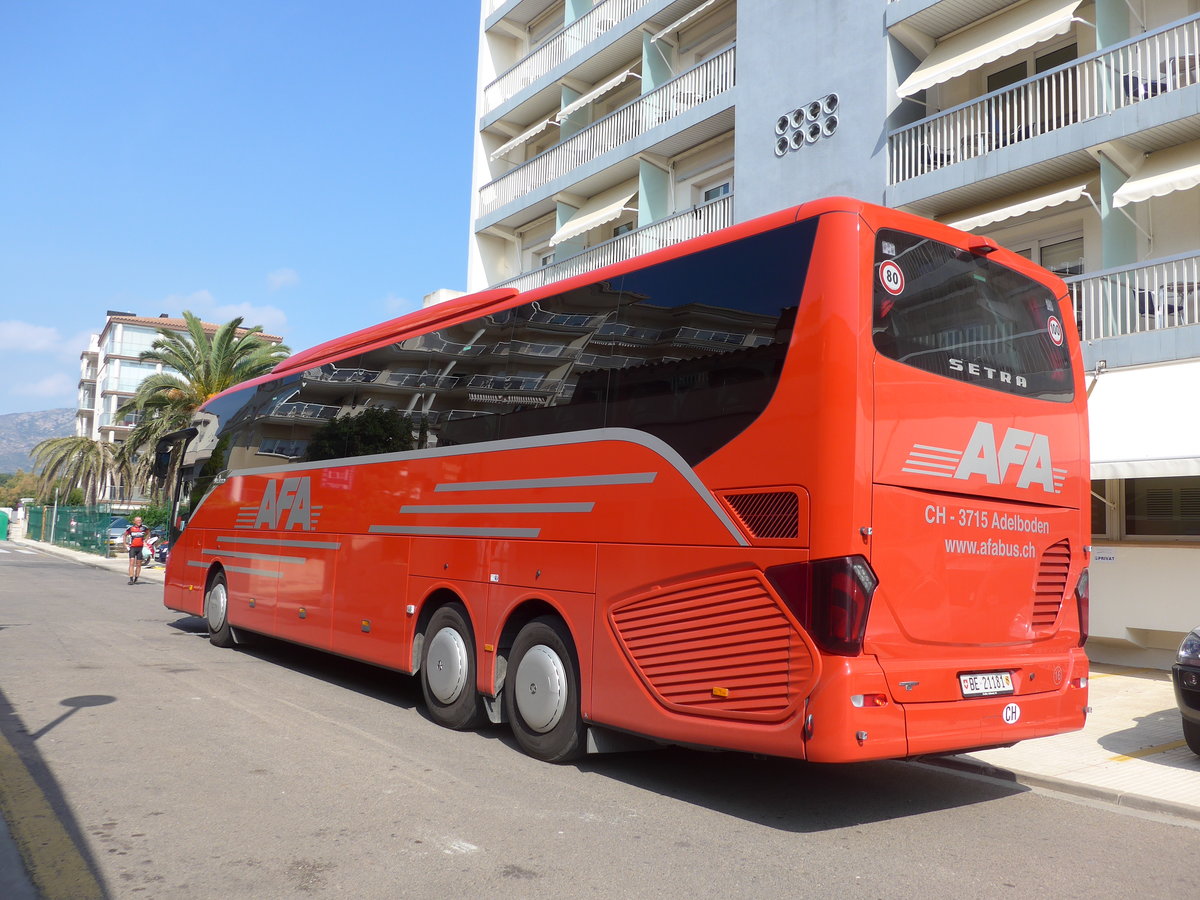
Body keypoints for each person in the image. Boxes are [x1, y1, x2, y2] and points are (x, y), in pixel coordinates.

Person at [123, 516, 150, 585]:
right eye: (137, 521)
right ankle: (131, 579)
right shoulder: (131, 528)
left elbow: (148, 533)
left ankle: (136, 578)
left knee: (138, 564)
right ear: (134, 521)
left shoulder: (144, 528)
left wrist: (145, 540)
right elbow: (125, 535)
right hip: (132, 547)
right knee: (131, 563)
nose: (139, 522)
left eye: (140, 520)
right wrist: (125, 544)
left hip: (140, 548)